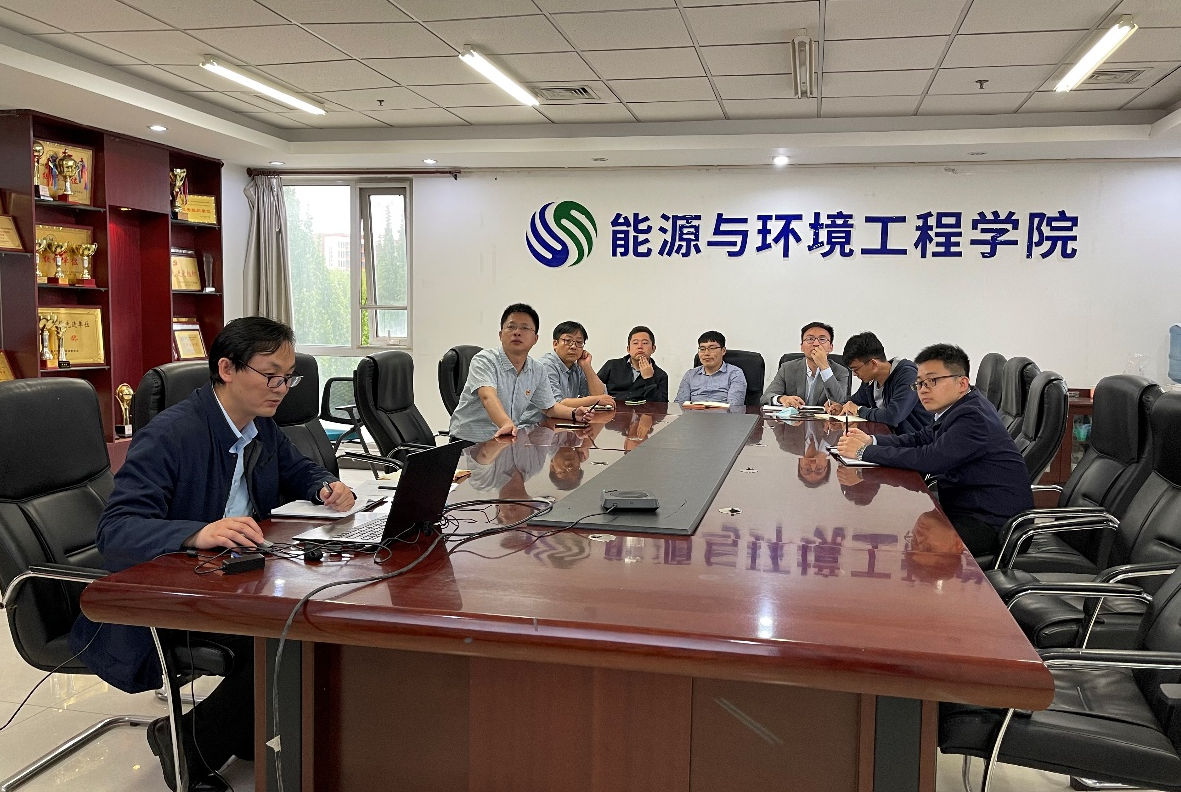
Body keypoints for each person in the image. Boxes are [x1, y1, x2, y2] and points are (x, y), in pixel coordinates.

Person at [69, 317, 355, 791]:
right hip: (165, 590)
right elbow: (115, 531)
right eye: (271, 376)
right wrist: (197, 532)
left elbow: (298, 469)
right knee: (289, 635)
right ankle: (185, 743)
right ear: (226, 368)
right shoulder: (171, 434)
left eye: (289, 378)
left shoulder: (259, 427)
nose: (282, 389)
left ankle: (245, 728)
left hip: (234, 575)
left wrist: (326, 485)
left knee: (314, 619)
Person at [835, 343, 1034, 557]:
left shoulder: (973, 417)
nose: (923, 389)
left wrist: (863, 452)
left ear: (962, 383)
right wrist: (872, 441)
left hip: (993, 524)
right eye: (919, 383)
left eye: (932, 381)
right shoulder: (957, 408)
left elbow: (930, 459)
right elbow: (920, 438)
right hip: (967, 506)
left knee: (915, 549)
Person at [448, 303, 592, 442]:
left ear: (535, 339)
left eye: (525, 328)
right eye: (511, 327)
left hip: (505, 439)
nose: (517, 332)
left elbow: (549, 408)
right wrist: (506, 423)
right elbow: (488, 396)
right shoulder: (485, 360)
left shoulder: (537, 369)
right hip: (468, 443)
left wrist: (574, 414)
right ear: (500, 334)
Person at [827, 331, 932, 434]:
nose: (854, 374)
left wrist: (858, 410)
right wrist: (841, 406)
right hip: (889, 438)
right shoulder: (870, 380)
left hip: (917, 441)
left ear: (873, 364)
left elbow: (893, 416)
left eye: (856, 369)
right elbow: (856, 401)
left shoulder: (908, 375)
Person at [762, 322, 851, 407]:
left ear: (831, 347)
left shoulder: (841, 372)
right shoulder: (787, 368)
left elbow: (840, 402)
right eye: (810, 339)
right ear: (802, 346)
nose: (816, 344)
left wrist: (824, 367)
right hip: (794, 417)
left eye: (822, 339)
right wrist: (781, 399)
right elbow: (765, 397)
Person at [538, 320, 615, 411]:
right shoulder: (546, 365)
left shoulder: (577, 367)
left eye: (579, 342)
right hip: (538, 420)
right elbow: (556, 404)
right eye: (567, 341)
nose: (573, 346)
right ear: (555, 344)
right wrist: (595, 400)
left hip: (565, 418)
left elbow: (601, 395)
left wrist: (587, 366)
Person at [597, 325, 669, 402]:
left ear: (653, 349)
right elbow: (593, 390)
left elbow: (662, 406)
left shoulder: (661, 375)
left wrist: (649, 379)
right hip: (613, 408)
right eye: (635, 343)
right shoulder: (612, 366)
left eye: (645, 343)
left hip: (643, 410)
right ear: (628, 349)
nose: (640, 347)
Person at [674, 331, 747, 405]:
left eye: (712, 348)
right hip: (693, 412)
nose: (706, 353)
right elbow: (679, 405)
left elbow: (734, 406)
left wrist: (698, 407)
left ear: (723, 351)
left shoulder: (735, 374)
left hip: (723, 413)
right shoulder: (690, 375)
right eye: (702, 349)